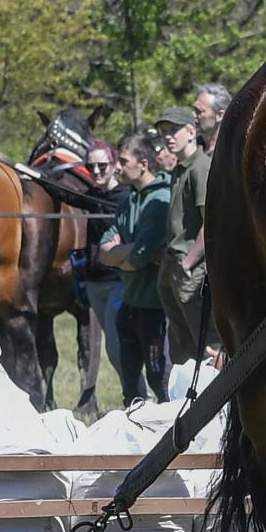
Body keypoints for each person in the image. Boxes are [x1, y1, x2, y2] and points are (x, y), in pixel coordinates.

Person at [99, 130, 172, 402]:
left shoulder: (160, 201)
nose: (117, 167)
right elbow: (104, 250)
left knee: (159, 377)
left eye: (123, 160)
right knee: (128, 375)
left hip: (155, 307)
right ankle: (136, 425)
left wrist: (122, 255)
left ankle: (170, 431)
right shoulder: (128, 200)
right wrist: (127, 256)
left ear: (143, 164)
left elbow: (141, 255)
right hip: (129, 303)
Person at [154, 106, 212, 365]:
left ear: (191, 131)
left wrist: (189, 262)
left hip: (191, 268)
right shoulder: (180, 169)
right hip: (172, 265)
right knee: (181, 347)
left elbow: (210, 222)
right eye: (164, 131)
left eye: (174, 130)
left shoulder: (201, 167)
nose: (168, 137)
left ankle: (215, 401)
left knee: (207, 344)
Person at [78, 142, 127, 391]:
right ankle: (134, 393)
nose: (96, 171)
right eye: (90, 166)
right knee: (114, 347)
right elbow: (64, 194)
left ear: (114, 164)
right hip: (94, 283)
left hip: (118, 281)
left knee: (116, 348)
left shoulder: (125, 196)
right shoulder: (93, 197)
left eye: (101, 165)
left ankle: (137, 394)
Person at [193, 82, 232, 153]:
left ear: (220, 115)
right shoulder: (193, 148)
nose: (194, 115)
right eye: (194, 110)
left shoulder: (232, 150)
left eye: (199, 111)